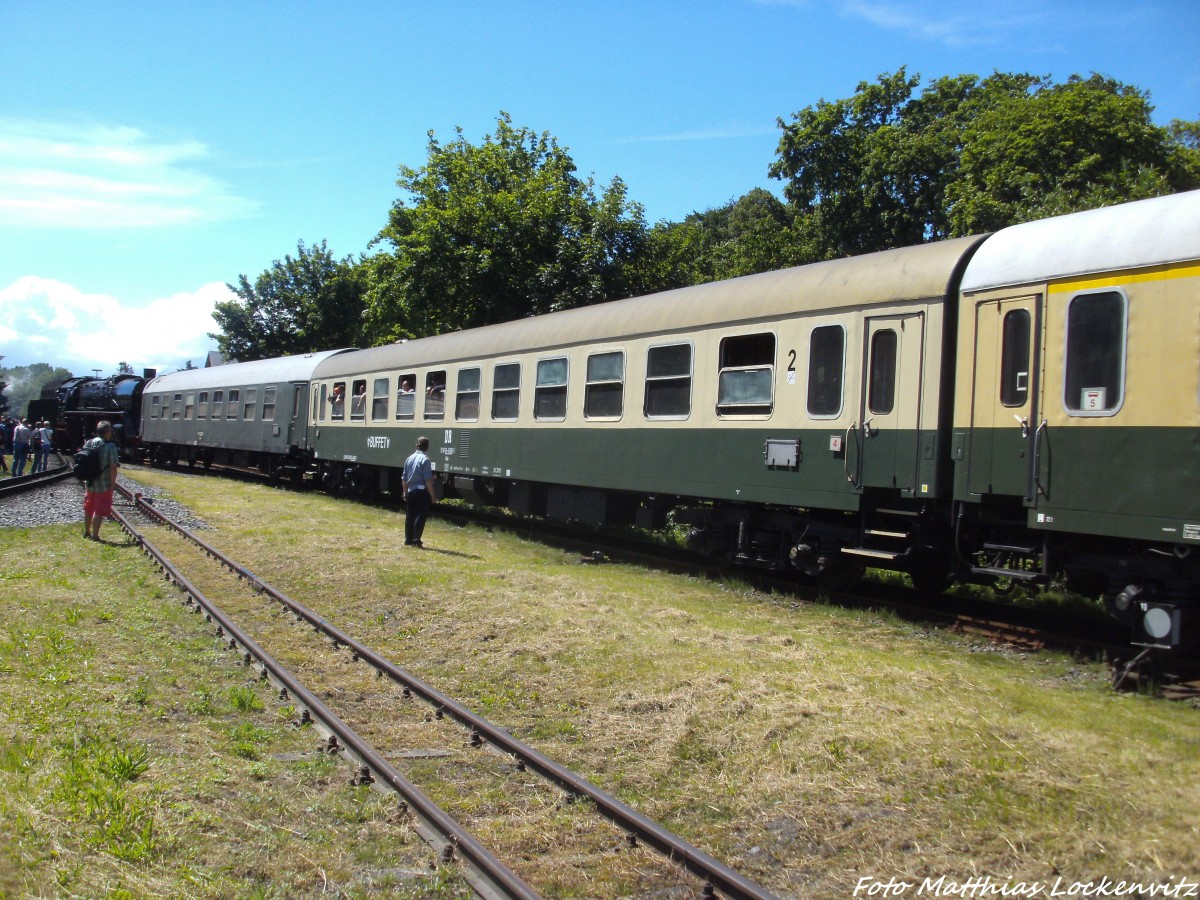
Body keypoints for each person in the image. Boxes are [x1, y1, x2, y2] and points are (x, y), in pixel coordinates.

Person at [82, 420, 120, 541]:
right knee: (99, 510)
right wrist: (112, 483)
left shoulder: (89, 442)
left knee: (88, 508)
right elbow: (113, 467)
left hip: (90, 481)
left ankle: (87, 532)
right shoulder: (110, 446)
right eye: (110, 431)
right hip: (104, 483)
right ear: (107, 432)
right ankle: (95, 535)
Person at [401, 436, 436, 547]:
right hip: (421, 491)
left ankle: (408, 539)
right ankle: (416, 540)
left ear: (417, 445)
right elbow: (428, 480)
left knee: (410, 515)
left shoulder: (409, 459)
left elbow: (404, 479)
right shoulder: (425, 460)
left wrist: (405, 492)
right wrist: (432, 495)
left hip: (411, 491)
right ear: (427, 448)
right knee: (420, 515)